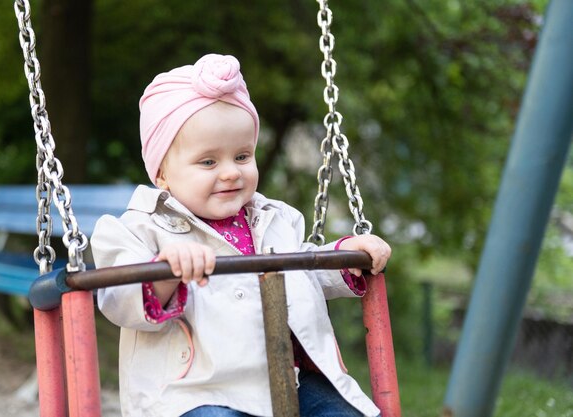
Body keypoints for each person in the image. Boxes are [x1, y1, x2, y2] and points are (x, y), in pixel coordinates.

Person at [91, 53, 391, 417]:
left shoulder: (276, 218)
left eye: (242, 156)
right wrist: (164, 273)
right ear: (162, 175)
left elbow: (301, 275)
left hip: (288, 379)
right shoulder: (138, 229)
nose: (231, 173)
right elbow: (118, 299)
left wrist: (344, 256)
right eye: (208, 162)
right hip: (193, 391)